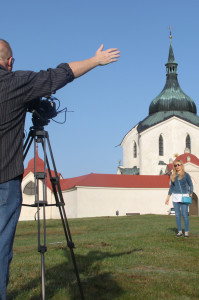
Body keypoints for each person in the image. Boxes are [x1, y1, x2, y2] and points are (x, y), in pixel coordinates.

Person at [0, 38, 120, 300]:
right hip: (4, 181)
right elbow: (59, 75)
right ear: (10, 63)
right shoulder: (14, 82)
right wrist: (95, 61)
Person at [165, 159, 193, 238]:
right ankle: (180, 232)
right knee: (177, 215)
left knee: (184, 214)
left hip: (184, 196)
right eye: (175, 165)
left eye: (178, 165)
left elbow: (191, 184)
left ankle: (186, 232)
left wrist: (190, 193)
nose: (177, 166)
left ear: (181, 165)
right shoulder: (173, 176)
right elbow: (171, 188)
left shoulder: (186, 175)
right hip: (176, 198)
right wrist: (168, 198)